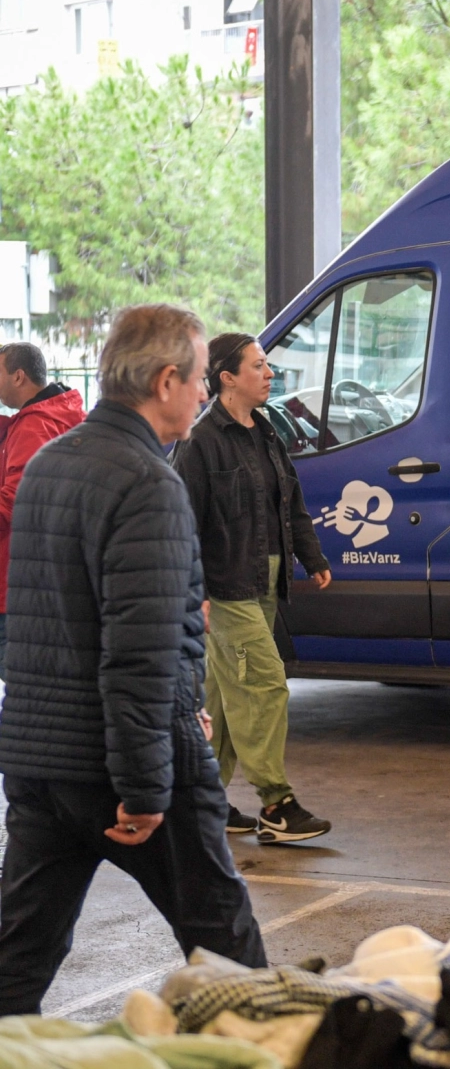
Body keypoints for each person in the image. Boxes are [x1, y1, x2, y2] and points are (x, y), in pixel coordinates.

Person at [0, 304, 267, 1014]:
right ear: (166, 379)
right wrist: (147, 786)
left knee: (16, 961)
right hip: (125, 767)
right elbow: (137, 653)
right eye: (200, 377)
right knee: (230, 959)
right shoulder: (149, 483)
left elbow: (42, 620)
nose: (207, 392)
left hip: (40, 761)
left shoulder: (52, 463)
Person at [172, 334, 334, 844]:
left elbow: (291, 504)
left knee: (222, 695)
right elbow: (182, 522)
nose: (269, 374)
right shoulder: (200, 442)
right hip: (224, 586)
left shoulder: (265, 432)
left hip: (266, 577)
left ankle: (203, 803)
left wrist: (312, 557)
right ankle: (275, 804)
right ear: (227, 377)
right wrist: (189, 588)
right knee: (264, 684)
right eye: (259, 366)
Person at [0, 342, 85, 680]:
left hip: (20, 579)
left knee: (25, 683)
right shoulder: (63, 413)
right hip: (51, 573)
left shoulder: (35, 426)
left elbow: (15, 503)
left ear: (18, 376)